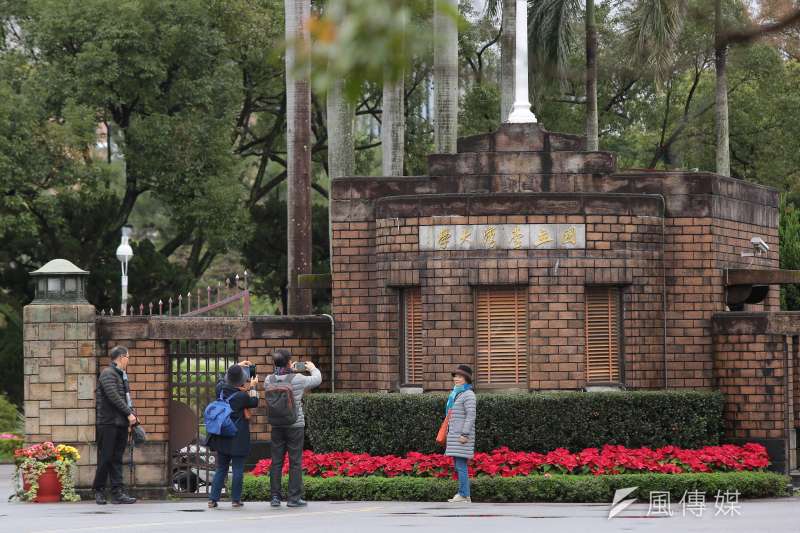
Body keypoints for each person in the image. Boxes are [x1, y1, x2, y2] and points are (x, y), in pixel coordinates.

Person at [268, 349, 321, 508]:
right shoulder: (298, 378)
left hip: (276, 425)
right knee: (295, 462)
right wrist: (312, 368)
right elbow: (317, 380)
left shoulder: (268, 380)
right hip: (295, 425)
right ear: (289, 362)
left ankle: (275, 498)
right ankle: (293, 498)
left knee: (276, 462)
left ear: (274, 363)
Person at [207, 361, 259, 509]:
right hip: (238, 436)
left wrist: (235, 366)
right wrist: (254, 386)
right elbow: (254, 401)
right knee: (237, 469)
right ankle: (235, 500)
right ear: (242, 380)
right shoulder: (242, 397)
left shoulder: (220, 390)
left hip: (222, 436)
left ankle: (213, 499)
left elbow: (222, 379)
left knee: (221, 468)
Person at [92, 345, 137, 505]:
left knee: (117, 458)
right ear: (121, 357)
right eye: (128, 357)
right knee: (105, 458)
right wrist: (129, 414)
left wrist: (132, 417)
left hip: (120, 424)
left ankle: (118, 493)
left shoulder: (122, 375)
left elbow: (127, 398)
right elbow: (114, 397)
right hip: (108, 423)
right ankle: (99, 491)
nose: (128, 361)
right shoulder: (107, 374)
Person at [445, 364, 476, 503]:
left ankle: (464, 495)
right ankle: (464, 494)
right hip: (455, 435)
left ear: (466, 379)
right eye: (455, 376)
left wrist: (465, 434)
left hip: (462, 436)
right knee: (459, 465)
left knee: (461, 466)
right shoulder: (457, 393)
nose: (456, 379)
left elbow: (471, 415)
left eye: (460, 376)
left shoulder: (468, 394)